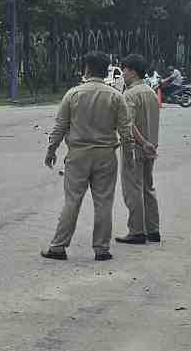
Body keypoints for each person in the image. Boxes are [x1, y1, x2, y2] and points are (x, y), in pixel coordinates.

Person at [43, 50, 135, 262]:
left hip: (78, 155)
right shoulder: (116, 96)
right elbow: (126, 130)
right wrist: (128, 155)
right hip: (106, 156)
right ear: (106, 71)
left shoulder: (73, 94)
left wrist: (51, 149)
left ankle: (58, 247)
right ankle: (102, 249)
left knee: (72, 201)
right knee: (103, 202)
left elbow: (60, 126)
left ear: (86, 69)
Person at [115, 53, 162, 245]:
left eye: (124, 70)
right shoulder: (150, 91)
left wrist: (142, 142)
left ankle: (136, 231)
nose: (122, 74)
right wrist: (150, 143)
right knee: (147, 188)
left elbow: (128, 124)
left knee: (132, 190)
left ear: (132, 71)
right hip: (151, 147)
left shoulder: (130, 94)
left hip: (136, 147)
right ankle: (153, 229)